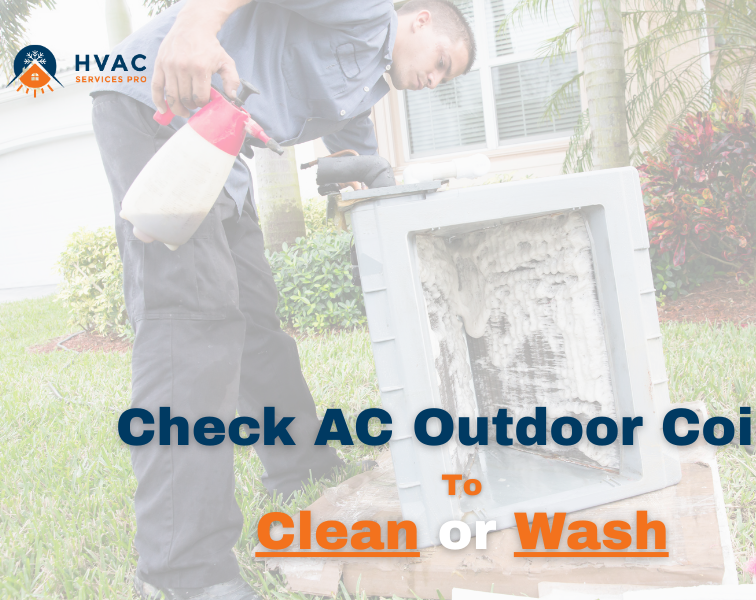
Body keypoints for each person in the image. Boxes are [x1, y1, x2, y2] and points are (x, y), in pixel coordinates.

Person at [90, 0, 475, 598]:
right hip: (159, 99)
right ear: (420, 19)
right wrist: (194, 27)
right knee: (193, 320)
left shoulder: (364, 90)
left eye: (443, 80)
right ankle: (182, 574)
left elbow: (360, 164)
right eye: (441, 64)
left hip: (221, 148)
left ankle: (302, 464)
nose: (433, 80)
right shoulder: (364, 11)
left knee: (254, 319)